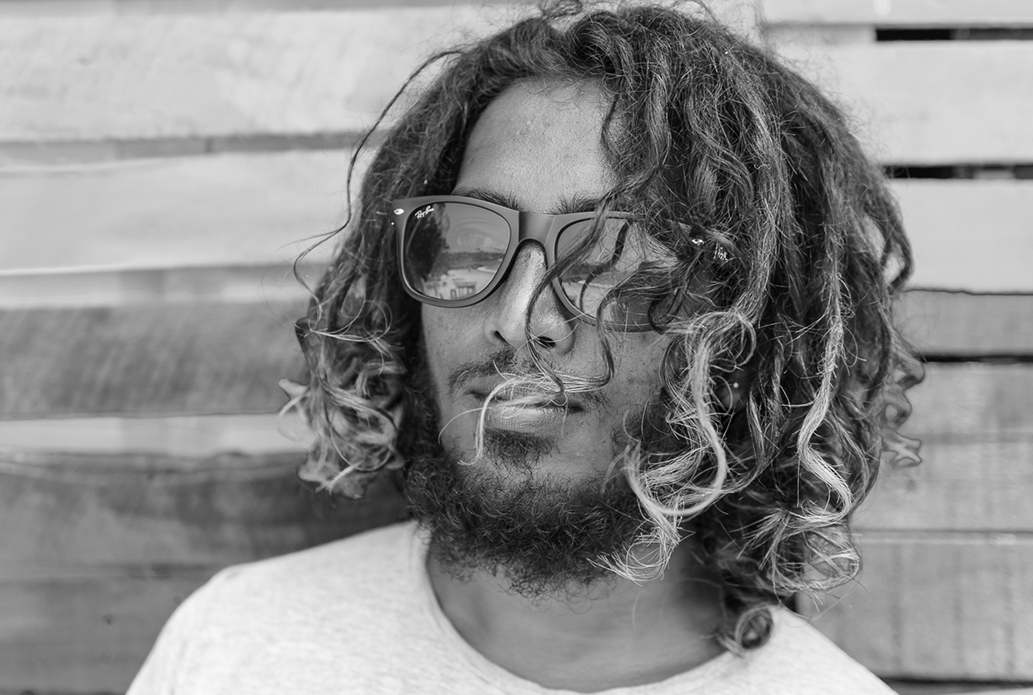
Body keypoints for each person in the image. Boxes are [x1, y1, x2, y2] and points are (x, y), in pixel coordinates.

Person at [129, 2, 923, 692]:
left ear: (757, 336)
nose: (518, 316)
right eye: (473, 242)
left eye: (615, 257)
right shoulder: (236, 645)